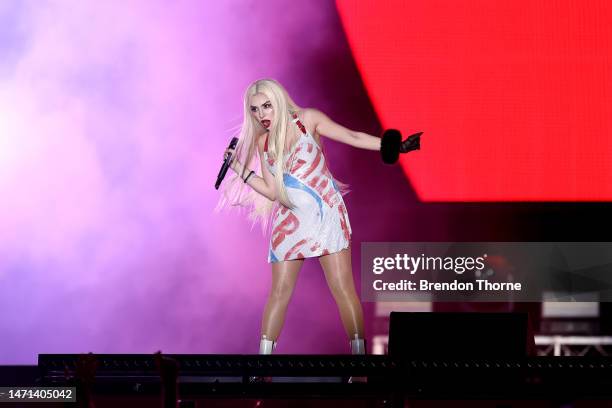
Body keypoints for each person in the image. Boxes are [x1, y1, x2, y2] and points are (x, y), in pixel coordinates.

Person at [217, 78, 420, 356]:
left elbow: (352, 136)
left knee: (342, 288)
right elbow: (272, 191)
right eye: (254, 110)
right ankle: (262, 368)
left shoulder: (308, 120)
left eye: (266, 106)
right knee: (279, 292)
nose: (261, 115)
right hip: (289, 223)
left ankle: (359, 365)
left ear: (278, 100)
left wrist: (394, 146)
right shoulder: (264, 143)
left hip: (325, 216)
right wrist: (239, 168)